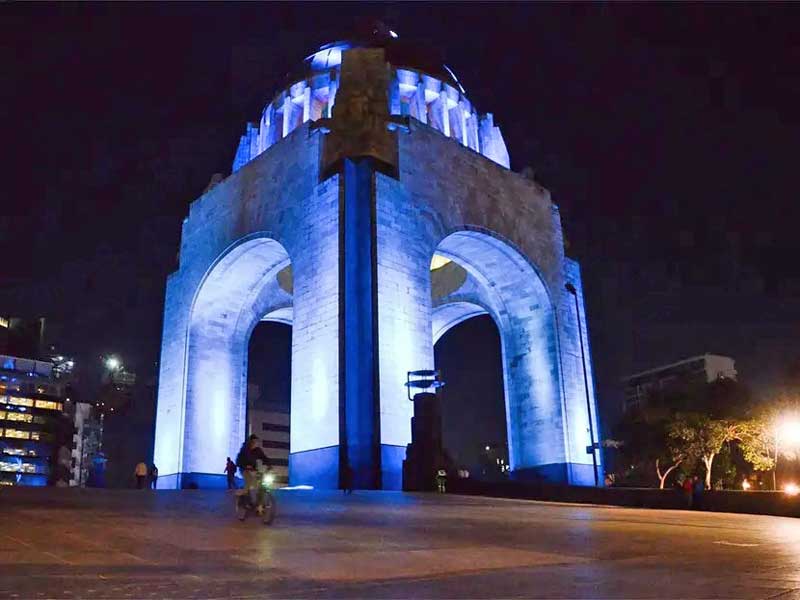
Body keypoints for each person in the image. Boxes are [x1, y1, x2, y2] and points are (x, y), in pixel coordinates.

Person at [236, 434, 272, 508]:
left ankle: (259, 503)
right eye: (254, 441)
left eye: (257, 442)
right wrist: (245, 466)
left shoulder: (258, 450)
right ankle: (244, 499)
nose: (256, 443)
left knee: (262, 482)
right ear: (251, 442)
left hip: (253, 469)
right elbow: (238, 461)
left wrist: (269, 465)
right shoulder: (244, 450)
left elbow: (264, 458)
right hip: (244, 469)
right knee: (249, 482)